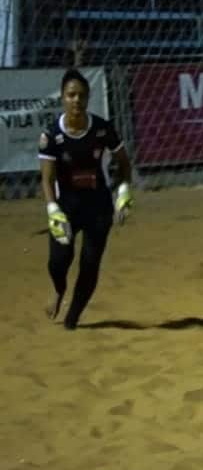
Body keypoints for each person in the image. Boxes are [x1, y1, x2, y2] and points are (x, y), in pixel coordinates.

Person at [39, 68, 134, 330]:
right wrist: (51, 209)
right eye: (71, 95)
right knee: (58, 262)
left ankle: (73, 319)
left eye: (81, 95)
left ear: (88, 97)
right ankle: (59, 290)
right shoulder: (51, 136)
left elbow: (124, 165)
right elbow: (46, 179)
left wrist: (123, 191)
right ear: (62, 98)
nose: (76, 100)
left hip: (98, 206)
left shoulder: (103, 129)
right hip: (66, 208)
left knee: (89, 263)